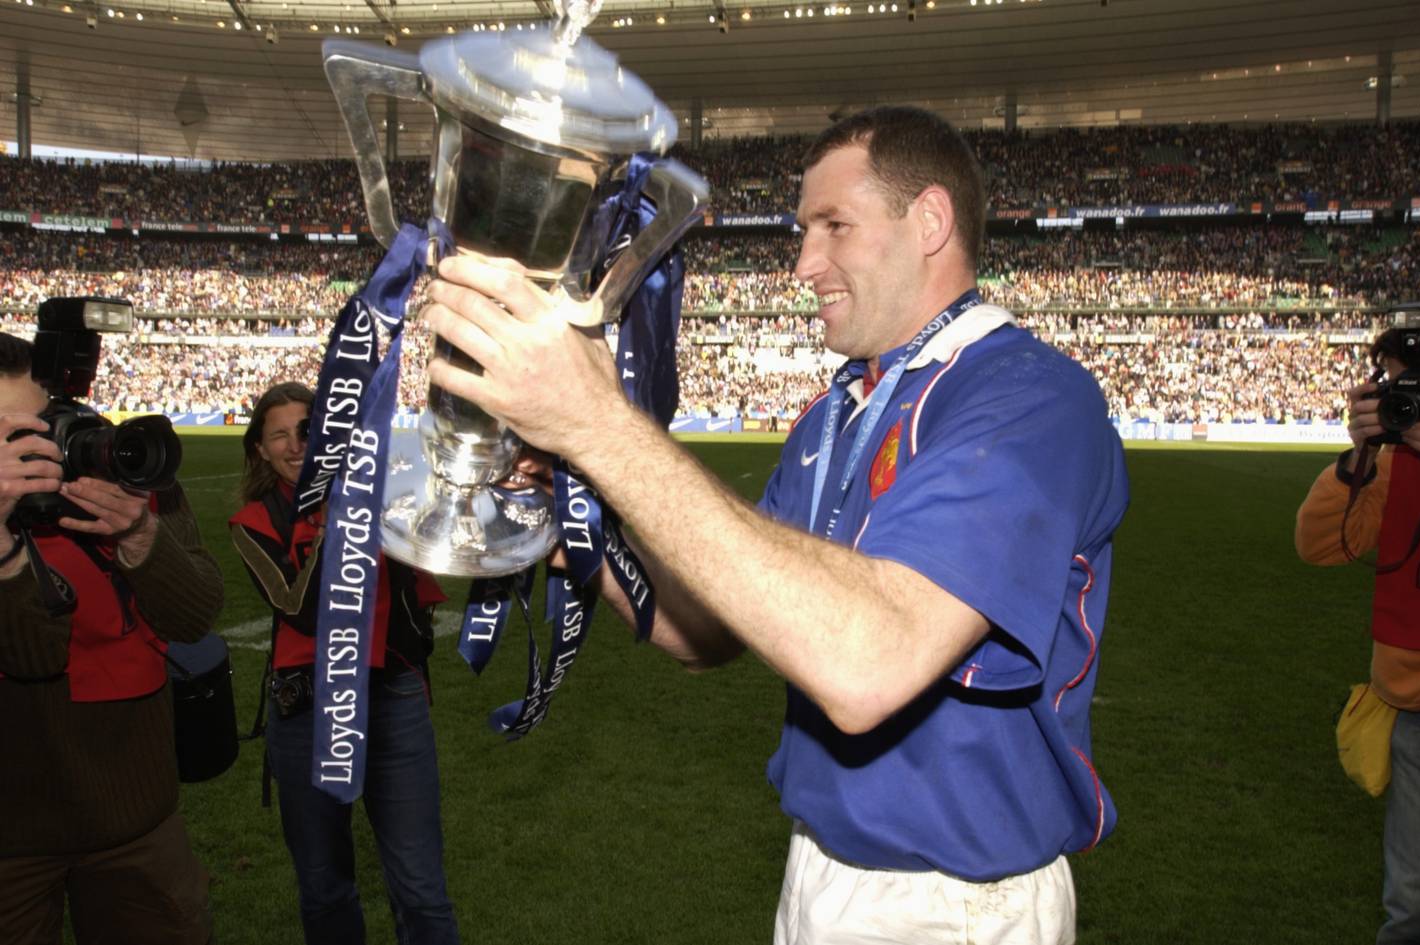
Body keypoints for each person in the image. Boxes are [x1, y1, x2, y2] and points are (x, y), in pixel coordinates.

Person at [422, 106, 1129, 944]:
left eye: (834, 226)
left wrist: (601, 426)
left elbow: (868, 661)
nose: (803, 262)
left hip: (955, 903)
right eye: (803, 231)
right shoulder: (839, 413)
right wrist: (569, 501)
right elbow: (707, 626)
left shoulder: (1029, 399)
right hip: (819, 871)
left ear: (931, 220)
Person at [0, 331, 219, 945]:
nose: (37, 450)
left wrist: (141, 537)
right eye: (8, 436)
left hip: (135, 818)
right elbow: (32, 656)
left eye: (42, 427)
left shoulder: (124, 468)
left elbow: (195, 615)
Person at [228, 381, 459, 945]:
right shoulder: (254, 521)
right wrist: (335, 532)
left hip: (391, 700)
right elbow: (299, 611)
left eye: (306, 429)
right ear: (259, 449)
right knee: (326, 889)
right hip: (307, 709)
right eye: (277, 435)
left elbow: (445, 544)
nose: (294, 444)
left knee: (421, 889)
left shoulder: (381, 492)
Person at [1295, 326, 1420, 945]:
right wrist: (1359, 457)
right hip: (1417, 702)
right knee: (1413, 902)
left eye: (1415, 385)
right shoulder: (1393, 462)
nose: (1399, 396)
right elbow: (1323, 545)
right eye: (1391, 384)